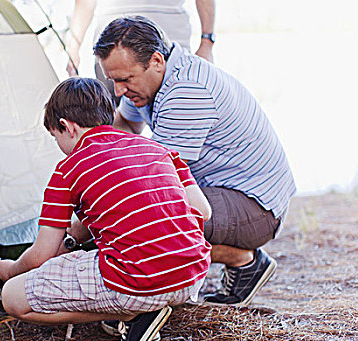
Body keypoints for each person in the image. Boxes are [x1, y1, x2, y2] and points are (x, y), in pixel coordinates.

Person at [93, 16, 297, 308]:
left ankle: (243, 260)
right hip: (226, 191)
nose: (118, 91)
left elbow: (154, 181)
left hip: (257, 207)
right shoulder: (150, 79)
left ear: (156, 61)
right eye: (114, 80)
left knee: (148, 219)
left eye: (125, 80)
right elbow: (125, 124)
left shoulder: (186, 92)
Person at [0, 77, 212, 341]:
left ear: (66, 126)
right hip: (191, 277)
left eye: (56, 137)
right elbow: (203, 212)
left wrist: (12, 270)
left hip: (136, 282)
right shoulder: (159, 149)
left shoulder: (68, 169)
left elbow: (41, 254)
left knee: (12, 297)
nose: (59, 146)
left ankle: (133, 314)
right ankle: (146, 307)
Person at [66, 0, 216, 104]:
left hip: (168, 47)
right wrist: (73, 45)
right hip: (111, 52)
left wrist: (207, 42)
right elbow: (85, 3)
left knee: (178, 116)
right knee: (118, 118)